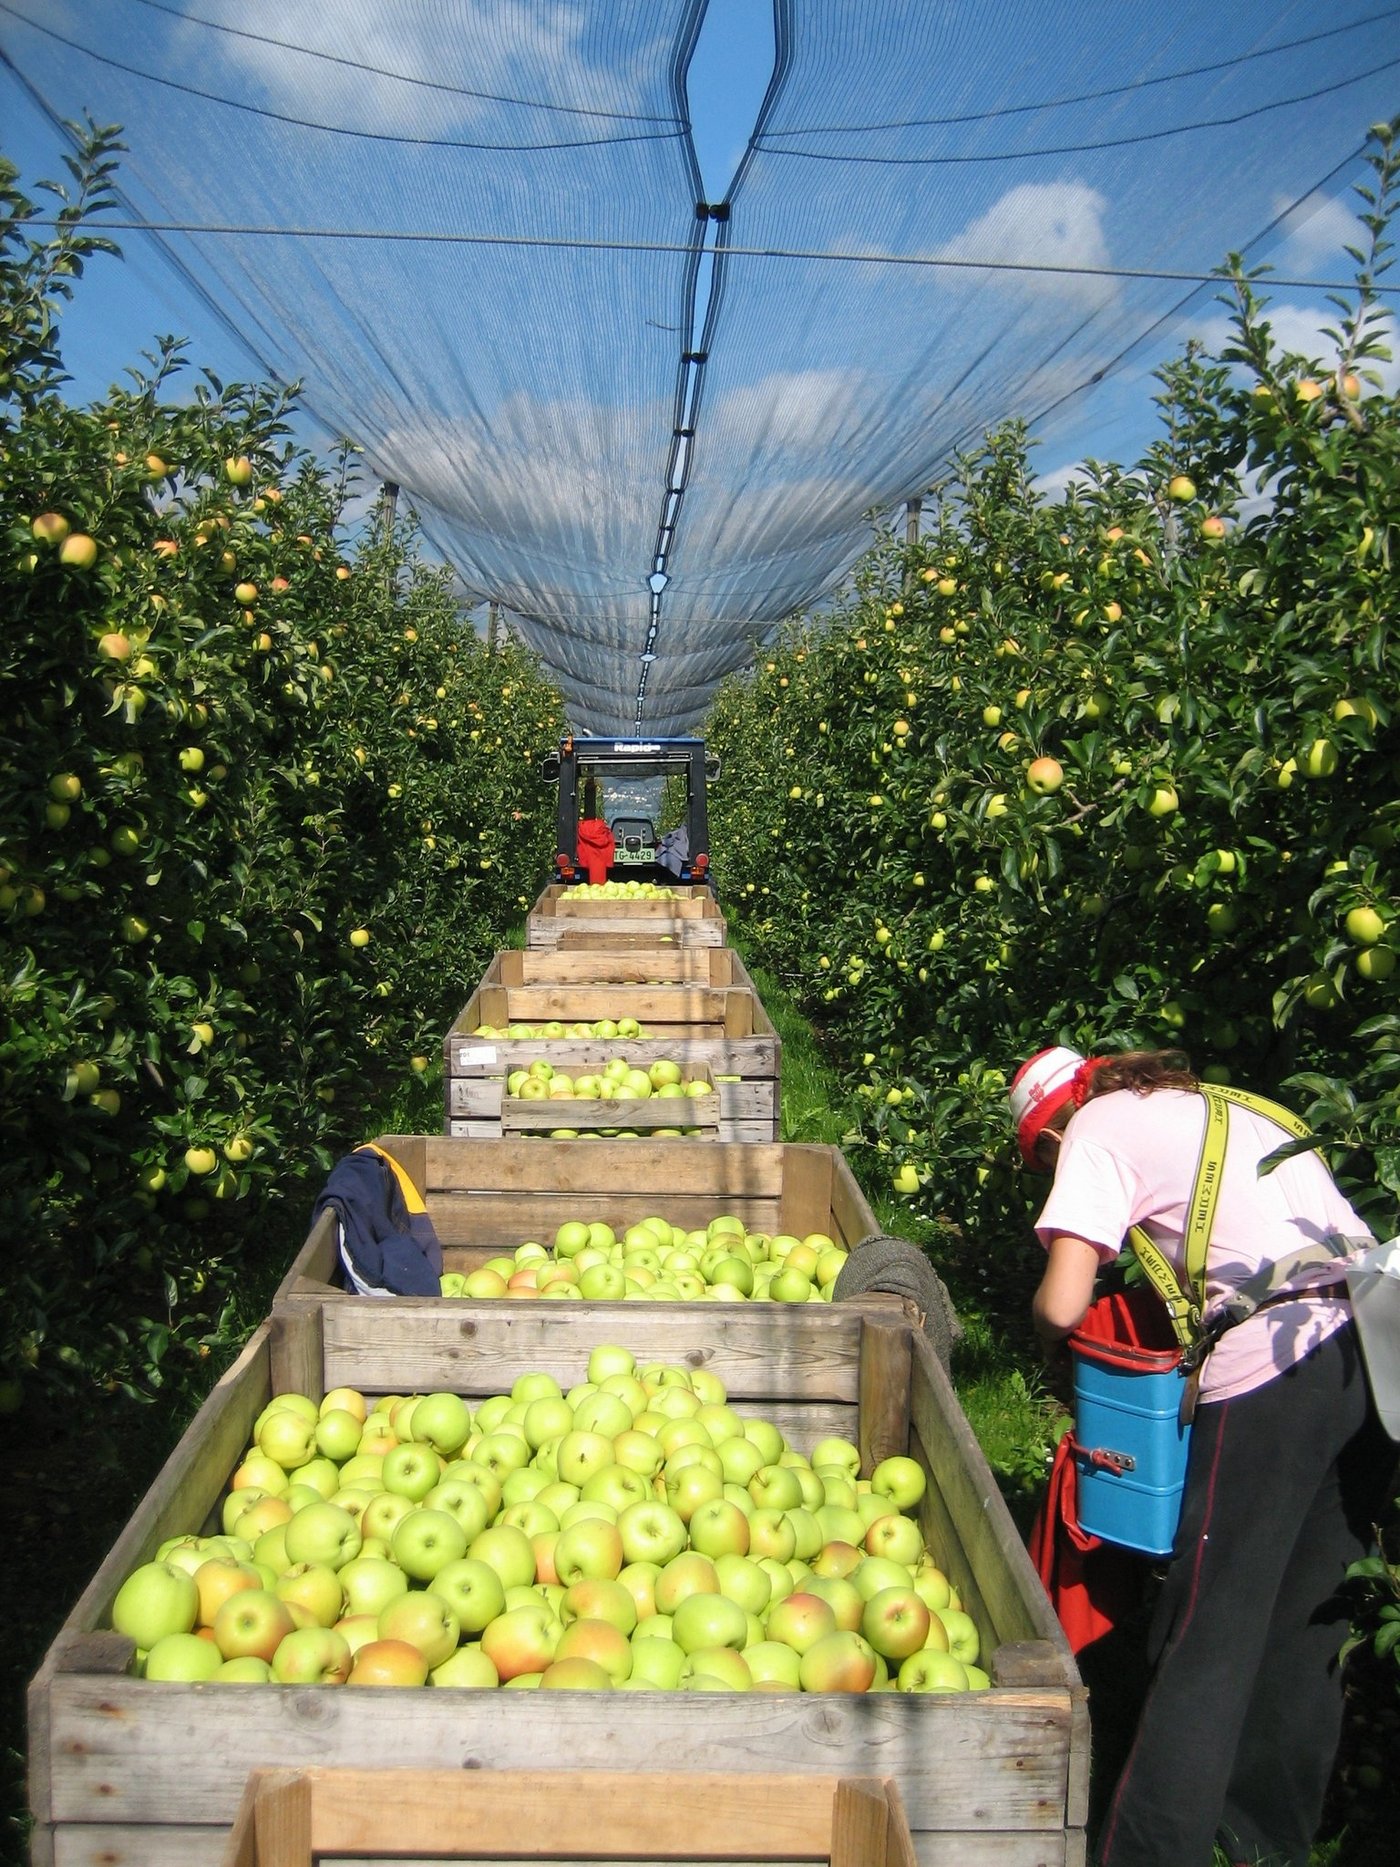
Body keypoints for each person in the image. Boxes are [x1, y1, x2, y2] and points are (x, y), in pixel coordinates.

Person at [1008, 1045, 1396, 1867]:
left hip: (1268, 1371)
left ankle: (1145, 1851)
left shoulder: (1095, 1128)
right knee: (1307, 1622)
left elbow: (1064, 1295)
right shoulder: (1215, 1102)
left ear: (1047, 1137)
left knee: (1204, 1633)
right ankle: (1259, 1841)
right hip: (1371, 1349)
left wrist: (1048, 1335)